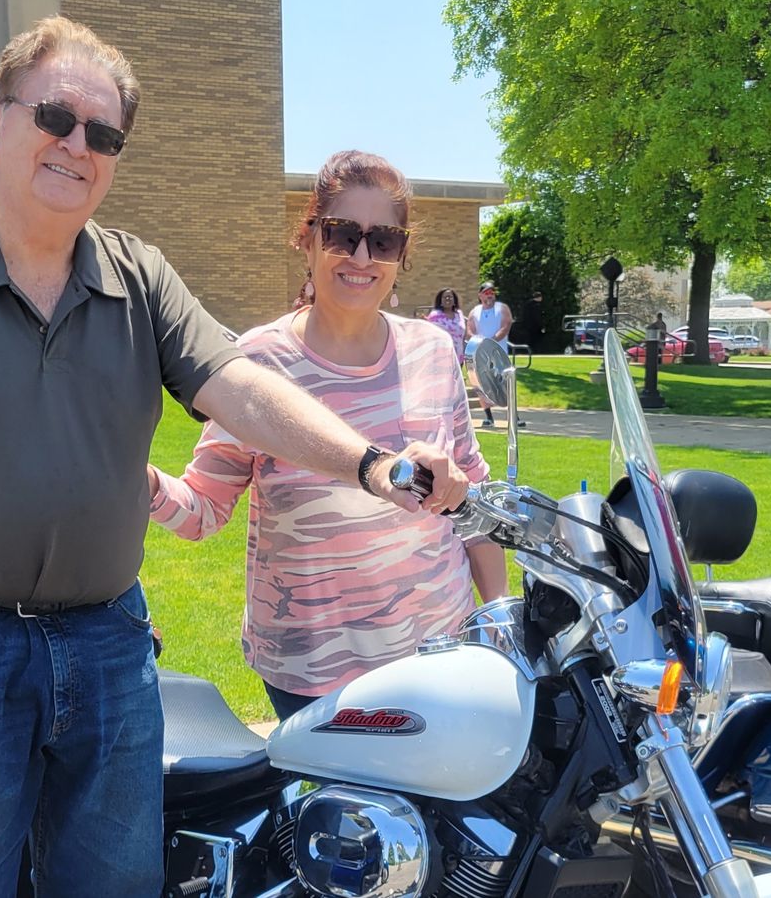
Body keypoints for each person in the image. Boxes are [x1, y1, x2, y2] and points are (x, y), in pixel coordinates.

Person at [0, 19, 465, 897]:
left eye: (104, 135)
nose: (78, 146)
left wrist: (372, 465)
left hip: (109, 647)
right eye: (56, 118)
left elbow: (243, 389)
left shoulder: (139, 276)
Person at [147, 151, 508, 722]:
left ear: (401, 255)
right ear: (309, 239)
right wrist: (134, 476)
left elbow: (475, 501)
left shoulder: (435, 351)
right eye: (342, 234)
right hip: (314, 673)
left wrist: (501, 617)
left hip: (440, 653)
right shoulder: (256, 363)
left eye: (383, 241)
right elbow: (202, 512)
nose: (362, 257)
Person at [466, 282, 515, 427]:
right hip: (480, 354)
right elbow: (469, 330)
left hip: (499, 353)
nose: (490, 296)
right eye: (486, 293)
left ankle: (514, 416)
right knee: (480, 384)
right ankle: (488, 417)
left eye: (492, 293)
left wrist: (491, 341)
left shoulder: (502, 308)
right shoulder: (475, 311)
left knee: (505, 384)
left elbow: (506, 326)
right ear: (480, 295)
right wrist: (479, 342)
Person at [427, 287, 467, 365]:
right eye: (445, 297)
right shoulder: (434, 316)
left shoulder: (459, 314)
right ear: (440, 301)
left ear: (454, 300)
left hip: (458, 357)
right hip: (441, 357)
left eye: (450, 297)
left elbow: (462, 334)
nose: (447, 299)